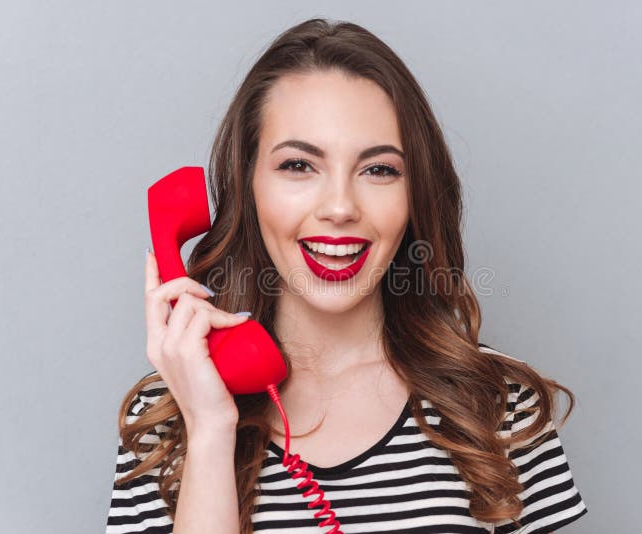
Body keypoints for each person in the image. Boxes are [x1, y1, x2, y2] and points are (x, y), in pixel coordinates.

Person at [106, 17, 588, 534]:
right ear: (248, 188)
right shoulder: (166, 419)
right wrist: (208, 430)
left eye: (378, 170)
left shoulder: (497, 402)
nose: (339, 207)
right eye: (298, 165)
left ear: (414, 197)